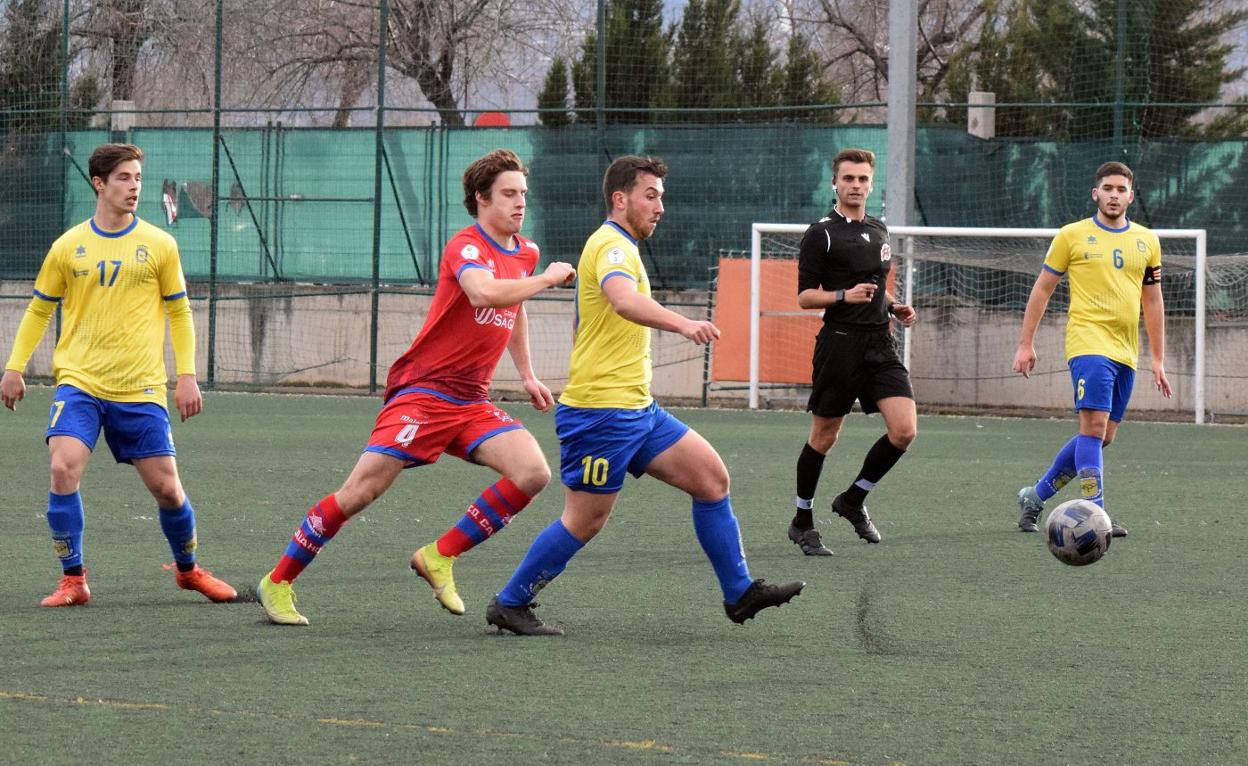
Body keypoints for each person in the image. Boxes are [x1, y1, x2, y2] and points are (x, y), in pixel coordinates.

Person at [485, 155, 805, 636]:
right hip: (600, 413)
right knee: (585, 520)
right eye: (650, 196)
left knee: (712, 480)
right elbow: (623, 299)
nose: (660, 207)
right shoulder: (612, 246)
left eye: (661, 198)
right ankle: (510, 602)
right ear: (621, 199)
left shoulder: (623, 245)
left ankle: (739, 594)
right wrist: (683, 322)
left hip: (637, 409)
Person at [257, 149, 575, 626]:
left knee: (532, 472)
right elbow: (484, 292)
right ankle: (277, 582)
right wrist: (547, 279)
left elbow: (514, 310)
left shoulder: (524, 252)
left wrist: (526, 372)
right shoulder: (465, 247)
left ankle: (440, 555)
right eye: (509, 194)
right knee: (360, 492)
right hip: (424, 394)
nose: (519, 202)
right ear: (480, 198)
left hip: (471, 402)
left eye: (523, 194)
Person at [1, 143, 237, 607]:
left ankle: (188, 571)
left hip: (141, 386)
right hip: (80, 383)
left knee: (168, 489)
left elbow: (181, 312)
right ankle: (74, 580)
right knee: (62, 467)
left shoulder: (160, 245)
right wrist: (14, 367)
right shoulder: (68, 246)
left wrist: (186, 375)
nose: (134, 187)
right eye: (125, 178)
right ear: (99, 184)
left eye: (137, 179)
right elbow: (38, 310)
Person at [1012, 161, 1172, 537]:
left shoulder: (1147, 241)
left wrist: (1158, 358)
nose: (1114, 195)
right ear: (1095, 193)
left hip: (1125, 350)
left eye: (1121, 189)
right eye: (1107, 188)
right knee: (1094, 426)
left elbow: (1153, 301)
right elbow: (1043, 288)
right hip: (1087, 342)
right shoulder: (1072, 235)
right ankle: (1093, 514)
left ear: (1131, 196)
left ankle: (1034, 497)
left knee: (1104, 435)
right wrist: (1025, 343)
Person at [787, 147, 918, 556]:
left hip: (880, 343)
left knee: (904, 430)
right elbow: (805, 297)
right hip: (840, 345)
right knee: (825, 436)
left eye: (862, 179)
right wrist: (844, 294)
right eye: (848, 179)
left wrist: (894, 304)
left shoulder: (879, 229)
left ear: (871, 183)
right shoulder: (821, 232)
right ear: (835, 183)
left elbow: (876, 285)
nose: (856, 185)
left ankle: (852, 499)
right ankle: (802, 520)